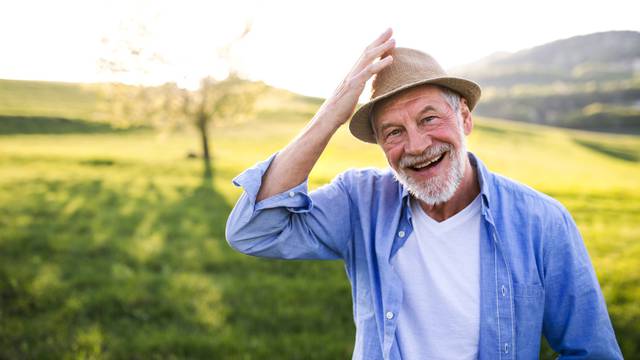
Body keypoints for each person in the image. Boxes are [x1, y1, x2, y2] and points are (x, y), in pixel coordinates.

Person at [225, 29, 622, 359]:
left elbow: (591, 351)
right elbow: (255, 228)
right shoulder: (360, 202)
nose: (416, 146)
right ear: (380, 144)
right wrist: (334, 110)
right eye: (393, 132)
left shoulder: (542, 222)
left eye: (429, 118)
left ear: (464, 117)